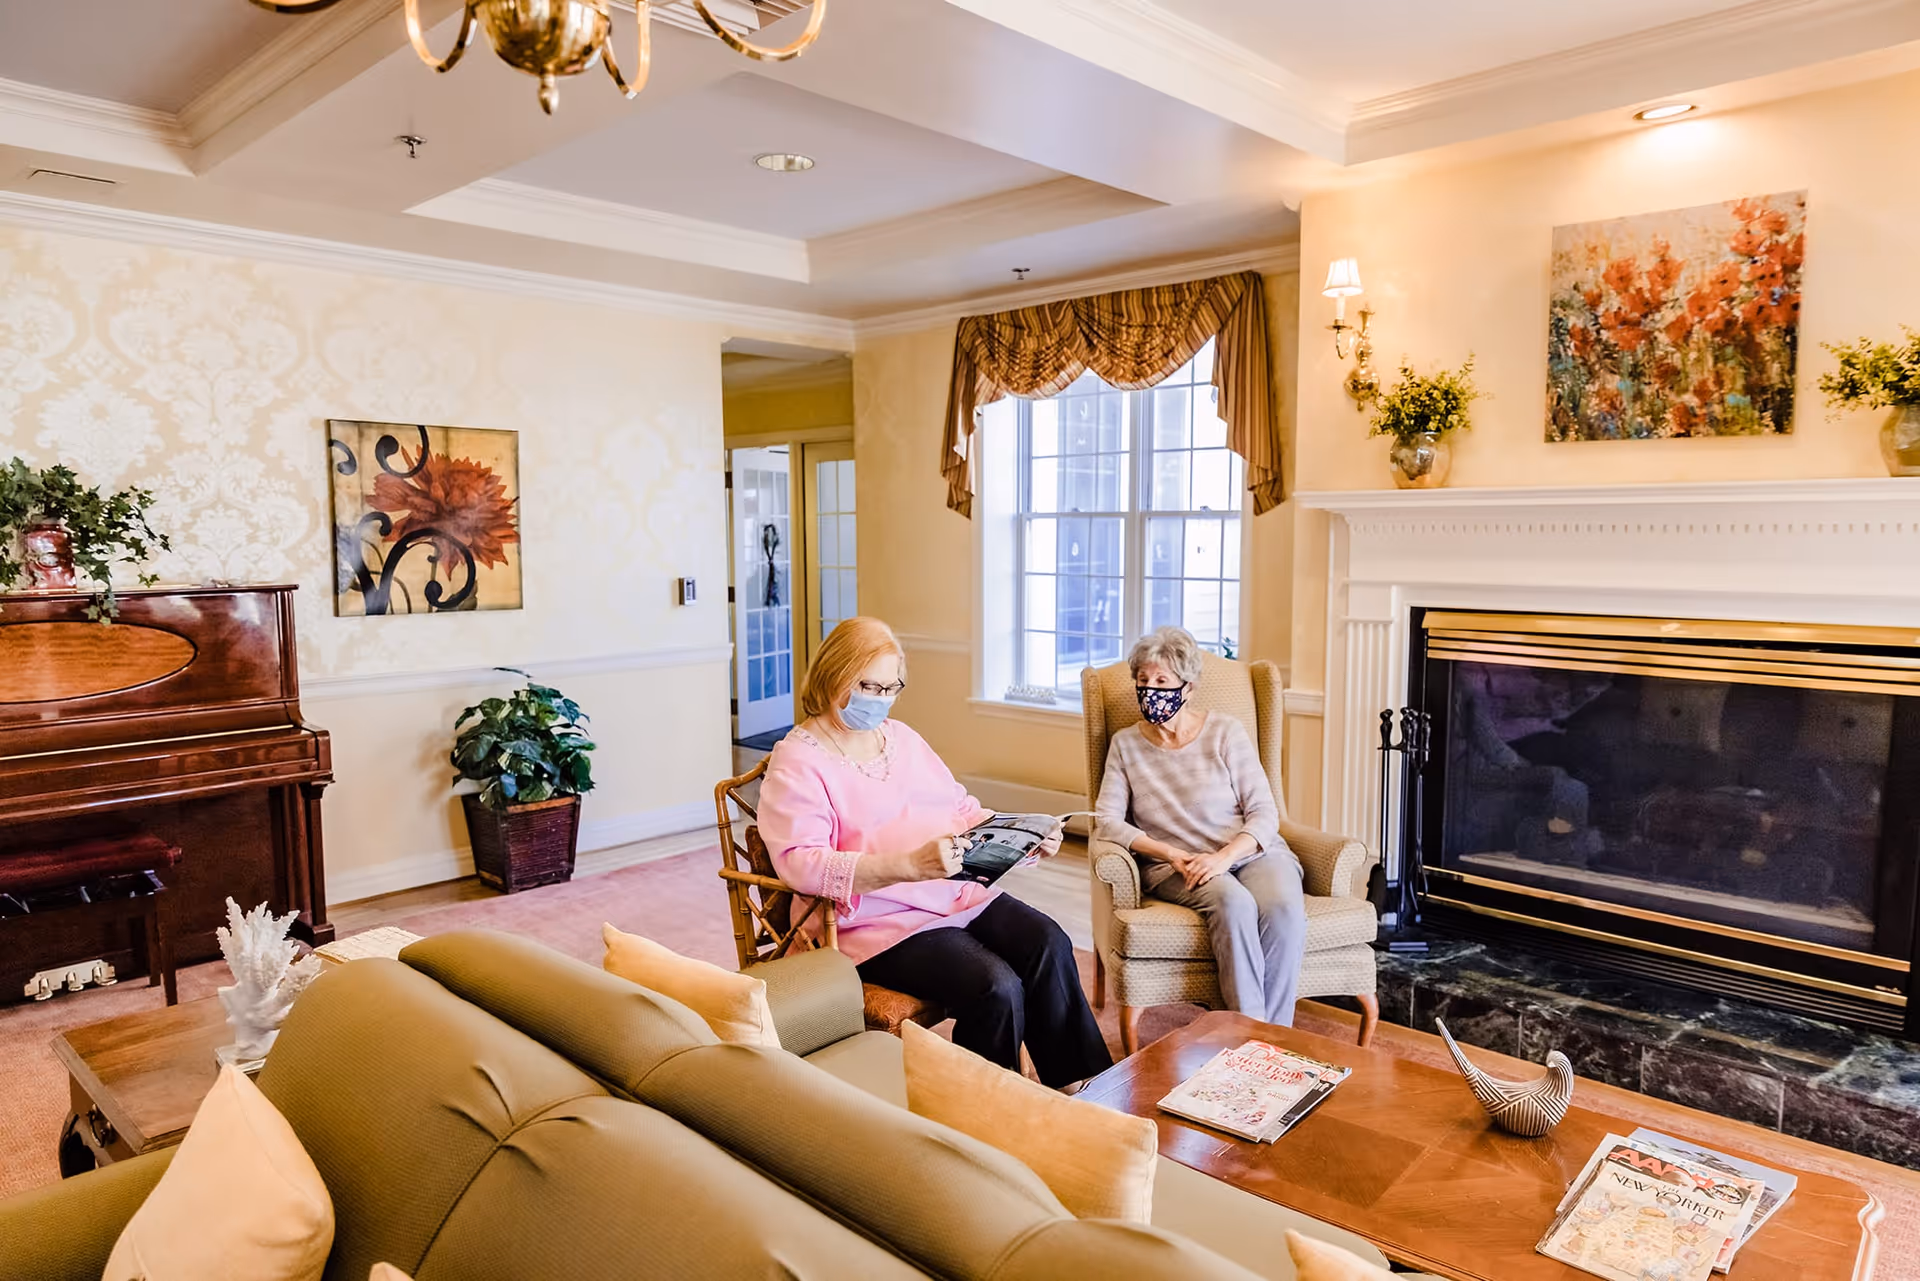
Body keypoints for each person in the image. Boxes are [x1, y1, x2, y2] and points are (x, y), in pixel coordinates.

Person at [757, 616, 1112, 1087]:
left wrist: (1021, 837)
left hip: (952, 894)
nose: (880, 699)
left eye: (891, 687)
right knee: (996, 987)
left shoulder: (902, 740)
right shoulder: (798, 760)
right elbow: (800, 863)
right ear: (833, 675)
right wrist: (907, 866)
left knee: (1049, 941)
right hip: (876, 923)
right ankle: (981, 1113)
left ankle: (1084, 1088)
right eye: (869, 685)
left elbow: (961, 809)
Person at [1094, 626, 1307, 1025]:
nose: (1150, 690)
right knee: (1233, 902)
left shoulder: (1225, 732)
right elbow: (1106, 821)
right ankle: (1246, 1034)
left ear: (1188, 688)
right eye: (1143, 681)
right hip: (1178, 863)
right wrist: (1171, 854)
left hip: (1249, 851)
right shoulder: (1125, 744)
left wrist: (1225, 857)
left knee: (1281, 908)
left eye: (1162, 681)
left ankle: (1275, 1038)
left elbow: (1265, 812)